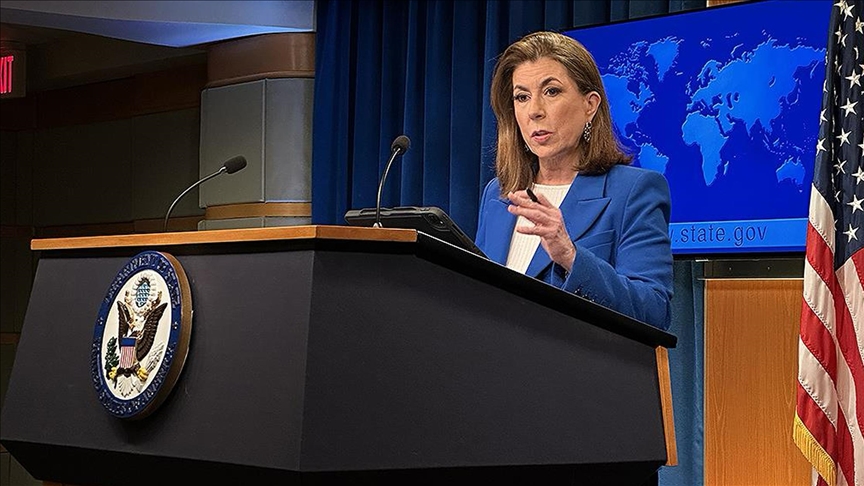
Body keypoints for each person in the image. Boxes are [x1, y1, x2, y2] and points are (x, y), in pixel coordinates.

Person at [475, 31, 673, 331]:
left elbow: (654, 311)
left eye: (551, 91)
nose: (534, 111)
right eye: (522, 97)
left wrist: (570, 256)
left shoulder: (634, 191)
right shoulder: (499, 194)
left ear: (589, 105)